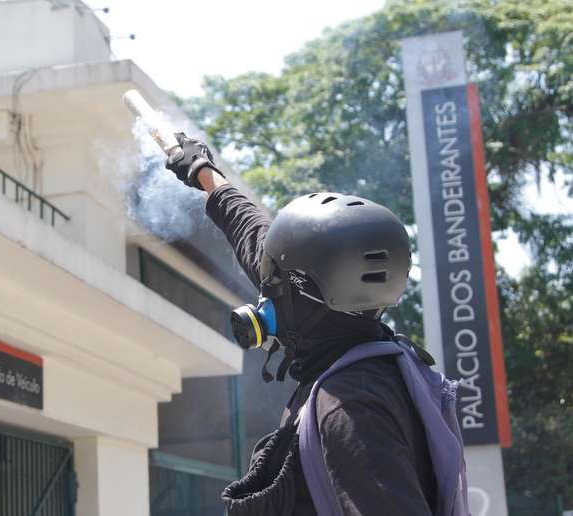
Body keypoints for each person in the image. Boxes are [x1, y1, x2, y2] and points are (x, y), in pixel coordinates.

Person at [164, 133, 468, 516]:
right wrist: (203, 172)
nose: (264, 287)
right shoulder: (382, 362)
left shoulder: (349, 406)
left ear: (307, 291)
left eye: (274, 280)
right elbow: (255, 237)